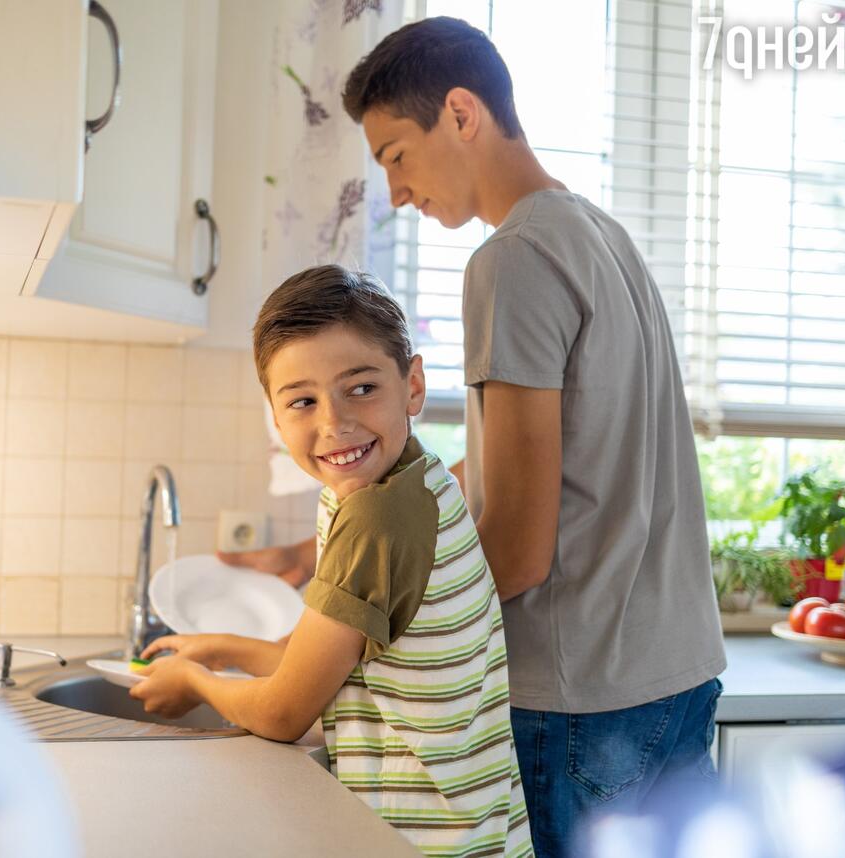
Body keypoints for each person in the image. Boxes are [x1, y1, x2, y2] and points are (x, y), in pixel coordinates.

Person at [222, 16, 727, 857]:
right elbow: (542, 459)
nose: (395, 193)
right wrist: (337, 557)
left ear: (461, 113)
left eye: (394, 155)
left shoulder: (512, 260)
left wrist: (349, 621)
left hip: (576, 698)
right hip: (673, 681)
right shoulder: (603, 237)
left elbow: (520, 550)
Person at [131, 265, 534, 857]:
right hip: (470, 832)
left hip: (417, 839)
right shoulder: (417, 479)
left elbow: (285, 710)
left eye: (361, 388)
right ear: (275, 416)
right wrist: (219, 648)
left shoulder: (377, 519)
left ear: (413, 385)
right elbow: (335, 662)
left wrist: (195, 682)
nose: (334, 422)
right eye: (302, 401)